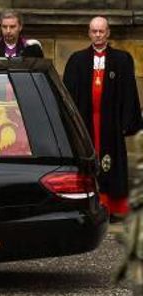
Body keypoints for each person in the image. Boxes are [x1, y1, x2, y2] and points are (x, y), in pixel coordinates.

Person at [63, 16, 143, 220]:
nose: (98, 35)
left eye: (101, 31)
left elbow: (129, 93)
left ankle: (110, 207)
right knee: (87, 163)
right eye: (94, 31)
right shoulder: (77, 60)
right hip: (86, 121)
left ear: (108, 33)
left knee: (111, 163)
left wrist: (126, 122)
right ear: (89, 33)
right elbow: (68, 95)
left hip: (110, 123)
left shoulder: (122, 59)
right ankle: (87, 206)